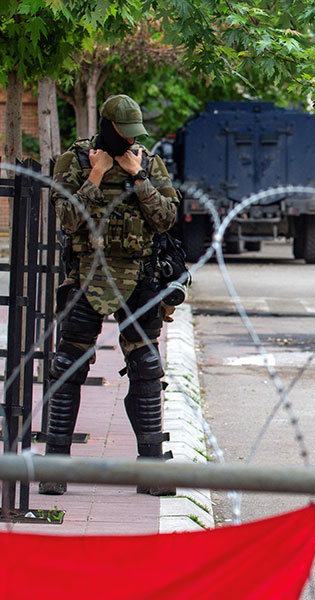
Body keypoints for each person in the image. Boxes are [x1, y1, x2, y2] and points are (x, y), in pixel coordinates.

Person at [42, 94, 180, 496]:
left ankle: (152, 469)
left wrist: (139, 178)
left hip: (139, 275)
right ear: (107, 128)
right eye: (125, 134)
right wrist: (96, 177)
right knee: (68, 363)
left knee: (146, 366)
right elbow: (68, 222)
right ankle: (55, 464)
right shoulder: (77, 161)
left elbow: (166, 219)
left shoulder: (148, 163)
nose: (131, 141)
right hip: (88, 274)